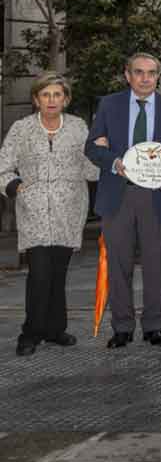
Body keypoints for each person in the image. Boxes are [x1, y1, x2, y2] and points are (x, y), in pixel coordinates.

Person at [86, 52, 161, 349]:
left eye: (152, 73)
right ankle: (122, 327)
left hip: (156, 196)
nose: (146, 78)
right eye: (139, 72)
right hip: (118, 193)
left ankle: (154, 326)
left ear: (158, 76)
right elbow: (92, 147)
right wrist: (113, 160)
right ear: (127, 75)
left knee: (155, 264)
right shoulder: (109, 105)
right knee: (118, 265)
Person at [0, 74, 97, 356]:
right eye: (46, 95)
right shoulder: (21, 129)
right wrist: (16, 186)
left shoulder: (79, 128)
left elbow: (90, 169)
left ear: (65, 99)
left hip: (70, 211)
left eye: (57, 95)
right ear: (36, 99)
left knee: (58, 273)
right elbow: (3, 167)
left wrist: (109, 157)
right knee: (39, 274)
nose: (51, 100)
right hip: (34, 212)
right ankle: (30, 333)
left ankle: (56, 329)